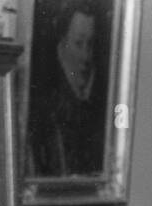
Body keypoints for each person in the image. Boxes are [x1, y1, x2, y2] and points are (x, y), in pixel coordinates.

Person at [26, 0, 105, 178]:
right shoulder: (44, 104)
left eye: (90, 44)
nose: (86, 56)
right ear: (62, 43)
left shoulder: (101, 100)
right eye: (78, 43)